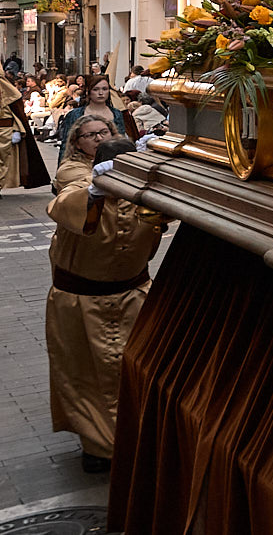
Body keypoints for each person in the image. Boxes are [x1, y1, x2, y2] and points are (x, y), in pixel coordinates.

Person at [47, 132, 160, 473]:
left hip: (134, 298)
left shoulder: (146, 194)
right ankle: (96, 445)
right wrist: (98, 188)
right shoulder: (78, 178)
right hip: (79, 303)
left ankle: (140, 436)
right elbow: (62, 203)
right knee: (83, 376)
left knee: (138, 370)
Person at [56, 74, 126, 165]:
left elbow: (121, 142)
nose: (101, 93)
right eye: (96, 89)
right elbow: (66, 144)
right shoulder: (75, 114)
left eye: (104, 89)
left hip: (109, 162)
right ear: (88, 91)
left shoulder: (117, 114)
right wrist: (62, 167)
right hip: (81, 162)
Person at [0, 73, 48, 192]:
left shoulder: (9, 92)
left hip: (5, 131)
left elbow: (16, 113)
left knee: (4, 161)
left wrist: (17, 129)